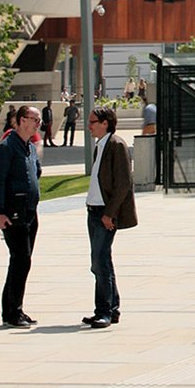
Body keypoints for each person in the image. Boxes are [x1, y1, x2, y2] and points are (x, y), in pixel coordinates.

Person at [81, 107, 138, 329]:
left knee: (99, 262)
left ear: (105, 123)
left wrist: (109, 213)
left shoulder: (116, 145)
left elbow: (124, 183)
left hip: (104, 213)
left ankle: (103, 311)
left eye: (93, 122)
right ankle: (111, 309)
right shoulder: (100, 146)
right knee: (102, 261)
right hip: (94, 210)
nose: (89, 126)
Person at [0, 106, 43, 329]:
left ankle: (13, 309)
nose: (38, 124)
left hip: (30, 211)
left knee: (22, 260)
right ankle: (13, 312)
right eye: (35, 120)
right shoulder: (6, 147)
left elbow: (36, 172)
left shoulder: (29, 147)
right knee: (21, 259)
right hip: (13, 212)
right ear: (21, 120)